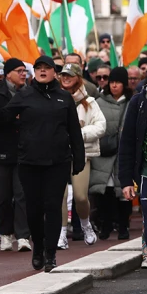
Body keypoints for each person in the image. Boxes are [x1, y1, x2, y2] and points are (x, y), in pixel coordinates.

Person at [6, 56, 85, 272]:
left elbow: (74, 131)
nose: (42, 71)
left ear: (54, 72)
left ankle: (50, 253)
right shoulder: (24, 95)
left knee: (52, 207)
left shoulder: (64, 98)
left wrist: (79, 158)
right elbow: (3, 119)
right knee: (33, 209)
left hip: (57, 161)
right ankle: (38, 248)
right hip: (29, 162)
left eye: (46, 68)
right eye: (38, 68)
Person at [56, 64, 107, 248]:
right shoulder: (55, 99)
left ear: (78, 77)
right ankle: (61, 233)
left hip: (81, 153)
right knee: (59, 196)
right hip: (59, 154)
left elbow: (101, 126)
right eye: (63, 75)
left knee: (80, 196)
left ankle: (86, 225)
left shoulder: (89, 102)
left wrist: (79, 134)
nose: (66, 78)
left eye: (69, 75)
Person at [0, 59, 31, 252]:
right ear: (8, 73)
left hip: (23, 152)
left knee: (21, 195)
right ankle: (5, 233)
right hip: (1, 153)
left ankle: (23, 236)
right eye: (19, 71)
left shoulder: (29, 93)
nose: (23, 74)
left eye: (24, 71)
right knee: (3, 195)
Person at [91, 67, 131, 241]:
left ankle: (123, 227)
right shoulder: (99, 103)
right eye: (112, 82)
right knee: (105, 192)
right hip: (105, 152)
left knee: (124, 192)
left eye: (118, 82)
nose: (114, 86)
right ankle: (105, 226)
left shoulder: (132, 101)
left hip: (124, 153)